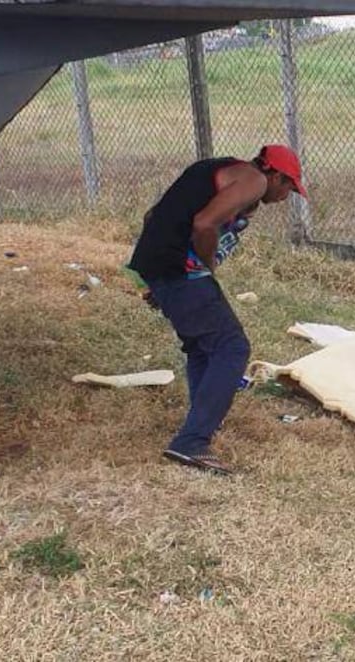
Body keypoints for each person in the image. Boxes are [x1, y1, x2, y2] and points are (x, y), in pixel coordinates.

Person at [127, 145, 306, 475]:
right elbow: (204, 223)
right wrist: (205, 267)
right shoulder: (254, 180)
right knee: (231, 347)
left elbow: (152, 216)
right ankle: (192, 442)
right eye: (289, 187)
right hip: (181, 268)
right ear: (275, 176)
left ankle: (201, 421)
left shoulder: (219, 168)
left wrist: (159, 273)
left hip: (158, 263)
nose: (286, 197)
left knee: (202, 347)